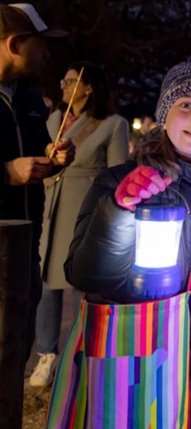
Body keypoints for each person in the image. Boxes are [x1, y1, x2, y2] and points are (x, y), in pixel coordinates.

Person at [45, 53, 191, 429]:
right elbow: (86, 274)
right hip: (125, 364)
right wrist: (121, 209)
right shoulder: (118, 180)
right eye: (186, 104)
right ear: (164, 114)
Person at [30, 61, 129, 388]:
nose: (65, 86)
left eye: (72, 81)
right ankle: (47, 354)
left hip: (86, 206)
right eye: (64, 80)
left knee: (82, 280)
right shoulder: (54, 118)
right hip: (52, 204)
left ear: (89, 87)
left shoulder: (112, 124)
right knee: (45, 279)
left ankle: (82, 355)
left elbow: (117, 171)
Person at [0, 3, 72, 357]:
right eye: (39, 43)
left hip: (25, 246)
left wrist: (53, 158)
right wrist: (7, 173)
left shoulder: (28, 96)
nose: (46, 53)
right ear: (14, 44)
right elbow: (13, 168)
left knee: (16, 349)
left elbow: (34, 153)